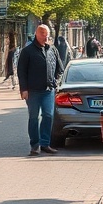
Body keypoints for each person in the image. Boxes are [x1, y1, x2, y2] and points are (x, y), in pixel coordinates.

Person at [16, 24, 65, 155]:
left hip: (48, 90)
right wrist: (24, 89)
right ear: (36, 34)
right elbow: (21, 71)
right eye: (43, 33)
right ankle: (35, 145)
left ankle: (45, 143)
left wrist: (56, 82)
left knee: (48, 116)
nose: (45, 36)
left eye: (47, 33)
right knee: (33, 117)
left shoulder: (52, 50)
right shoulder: (27, 51)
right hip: (33, 91)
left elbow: (60, 69)